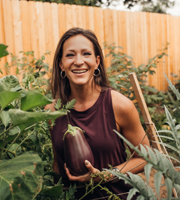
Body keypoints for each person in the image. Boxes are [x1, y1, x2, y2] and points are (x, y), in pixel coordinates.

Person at [45, 27, 150, 199]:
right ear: (61, 64)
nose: (79, 61)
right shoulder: (51, 112)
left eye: (86, 54)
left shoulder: (119, 105)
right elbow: (58, 165)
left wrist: (105, 176)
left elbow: (145, 157)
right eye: (70, 55)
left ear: (97, 61)